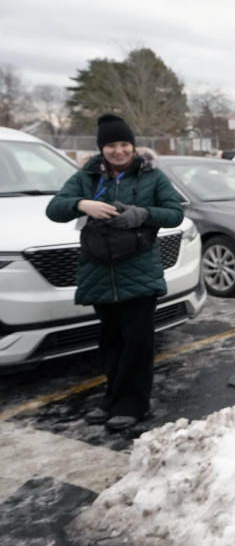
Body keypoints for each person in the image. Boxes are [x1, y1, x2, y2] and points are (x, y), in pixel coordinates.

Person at [46, 114, 182, 432]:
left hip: (139, 272)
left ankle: (134, 405)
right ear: (102, 148)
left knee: (137, 342)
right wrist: (82, 204)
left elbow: (175, 213)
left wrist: (142, 214)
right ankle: (111, 400)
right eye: (111, 145)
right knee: (110, 342)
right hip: (98, 273)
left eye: (124, 144)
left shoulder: (152, 176)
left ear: (133, 147)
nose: (118, 151)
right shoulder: (89, 176)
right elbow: (54, 208)